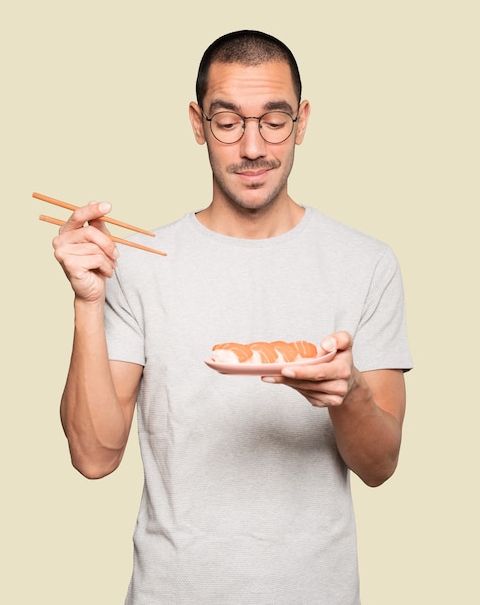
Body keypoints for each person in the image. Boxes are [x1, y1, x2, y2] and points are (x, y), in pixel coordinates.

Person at [52, 30, 413, 605]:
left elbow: (380, 466)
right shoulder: (140, 263)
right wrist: (87, 302)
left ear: (303, 121)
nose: (252, 147)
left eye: (275, 120)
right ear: (198, 124)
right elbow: (95, 457)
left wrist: (348, 395)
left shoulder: (365, 264)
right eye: (227, 122)